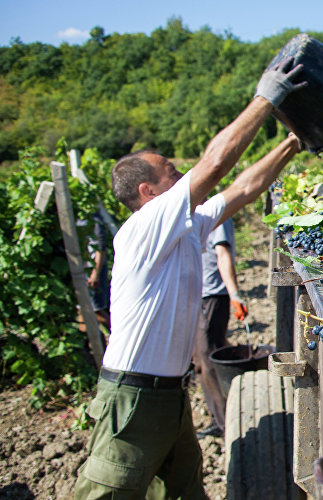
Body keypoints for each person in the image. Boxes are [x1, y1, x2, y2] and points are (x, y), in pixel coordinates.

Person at [74, 57, 307, 499]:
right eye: (172, 173)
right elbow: (215, 165)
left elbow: (242, 188)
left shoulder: (185, 229)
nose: (183, 176)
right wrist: (267, 98)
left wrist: (294, 142)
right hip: (132, 399)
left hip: (169, 396)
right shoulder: (142, 229)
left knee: (183, 493)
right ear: (149, 192)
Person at [192, 216, 246, 439]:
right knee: (201, 359)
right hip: (200, 295)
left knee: (208, 359)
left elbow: (223, 254)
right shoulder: (195, 214)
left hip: (212, 294)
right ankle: (222, 417)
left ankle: (227, 425)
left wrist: (234, 294)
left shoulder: (216, 215)